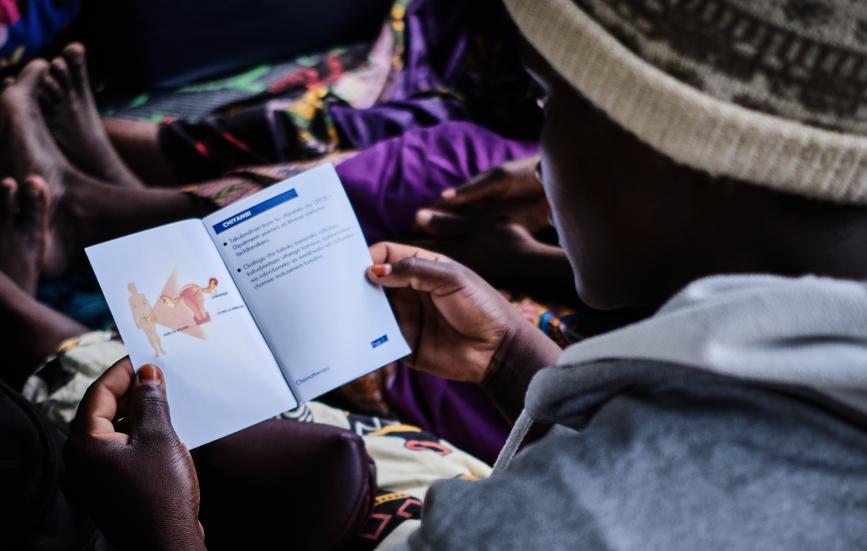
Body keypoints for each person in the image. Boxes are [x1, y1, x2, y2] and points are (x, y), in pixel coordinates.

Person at [65, 0, 867, 549]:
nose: (530, 156)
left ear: (668, 157)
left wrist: (158, 531)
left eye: (547, 102)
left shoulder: (574, 520)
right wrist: (520, 363)